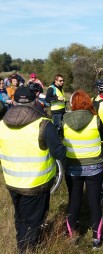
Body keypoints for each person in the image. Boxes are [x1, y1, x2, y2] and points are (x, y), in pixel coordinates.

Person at [0, 87, 66, 253]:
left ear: (13, 101)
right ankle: (27, 249)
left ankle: (21, 244)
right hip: (37, 183)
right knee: (33, 221)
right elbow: (59, 152)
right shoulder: (44, 124)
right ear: (34, 101)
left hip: (12, 182)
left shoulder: (2, 124)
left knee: (20, 216)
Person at [62, 90, 103, 249]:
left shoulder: (64, 120)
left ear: (72, 103)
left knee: (74, 201)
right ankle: (97, 239)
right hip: (94, 168)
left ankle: (71, 235)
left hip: (72, 167)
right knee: (94, 203)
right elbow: (102, 136)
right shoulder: (95, 119)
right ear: (88, 102)